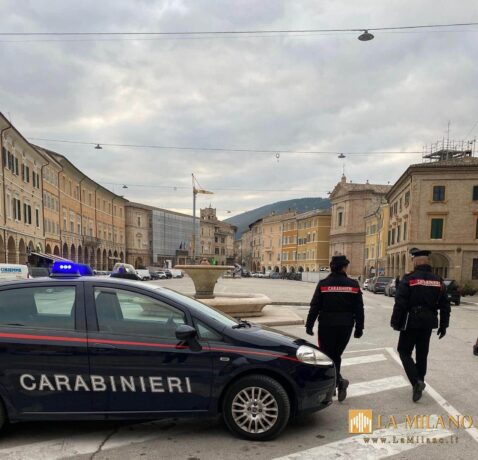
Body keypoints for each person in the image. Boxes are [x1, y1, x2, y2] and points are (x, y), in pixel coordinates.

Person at [390, 249, 450, 402]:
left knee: (404, 351)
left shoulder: (409, 279)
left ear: (416, 262)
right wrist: (444, 325)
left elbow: (400, 302)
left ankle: (416, 382)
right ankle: (420, 381)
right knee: (422, 354)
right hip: (429, 321)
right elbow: (445, 305)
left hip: (411, 320)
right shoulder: (438, 280)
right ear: (427, 262)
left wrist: (395, 321)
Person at [305, 255, 364, 401]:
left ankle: (337, 383)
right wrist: (359, 328)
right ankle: (335, 385)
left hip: (327, 325)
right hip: (346, 326)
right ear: (344, 267)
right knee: (336, 355)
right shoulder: (353, 284)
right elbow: (359, 309)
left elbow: (315, 306)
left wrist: (309, 325)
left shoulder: (324, 284)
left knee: (327, 356)